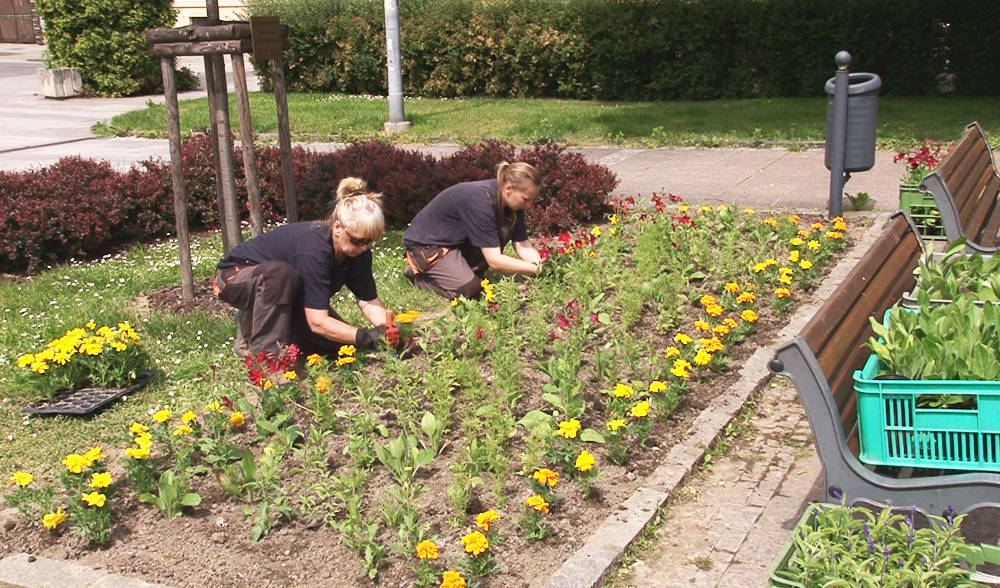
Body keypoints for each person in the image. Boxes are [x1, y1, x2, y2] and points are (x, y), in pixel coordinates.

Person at [213, 177, 398, 357]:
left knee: (338, 347)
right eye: (358, 241)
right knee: (280, 275)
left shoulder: (357, 250)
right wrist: (366, 336)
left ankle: (262, 322)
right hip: (234, 278)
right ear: (338, 228)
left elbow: (368, 300)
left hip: (283, 291)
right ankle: (267, 358)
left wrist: (389, 330)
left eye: (368, 242)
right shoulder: (313, 251)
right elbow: (318, 322)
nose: (363, 247)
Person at [403, 161, 544, 299]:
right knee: (470, 289)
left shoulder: (511, 202)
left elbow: (522, 244)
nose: (529, 205)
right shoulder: (481, 202)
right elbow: (495, 261)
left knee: (504, 228)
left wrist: (540, 265)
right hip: (428, 245)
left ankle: (455, 271)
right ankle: (420, 274)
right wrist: (533, 269)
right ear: (508, 188)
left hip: (455, 241)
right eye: (526, 199)